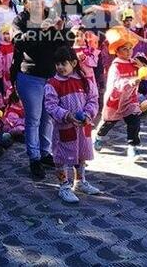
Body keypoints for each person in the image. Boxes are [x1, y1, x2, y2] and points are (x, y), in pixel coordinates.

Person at [11, 0, 70, 179]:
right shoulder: (20, 20)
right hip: (30, 75)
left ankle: (45, 153)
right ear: (26, 3)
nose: (39, 4)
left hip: (50, 75)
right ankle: (34, 158)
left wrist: (61, 30)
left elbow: (64, 47)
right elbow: (18, 41)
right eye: (34, 0)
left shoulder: (52, 16)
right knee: (34, 118)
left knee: (48, 117)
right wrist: (39, 28)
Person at [43, 46, 100, 203]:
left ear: (74, 63)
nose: (60, 67)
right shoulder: (53, 84)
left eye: (64, 63)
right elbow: (51, 106)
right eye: (57, 64)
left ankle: (80, 181)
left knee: (81, 155)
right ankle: (64, 186)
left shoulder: (84, 80)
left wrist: (88, 114)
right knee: (61, 157)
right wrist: (67, 116)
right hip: (64, 128)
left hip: (82, 127)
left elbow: (93, 99)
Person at [94, 27, 144, 159]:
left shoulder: (134, 63)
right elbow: (115, 84)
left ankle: (133, 146)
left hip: (130, 100)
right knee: (108, 123)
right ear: (117, 51)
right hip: (115, 101)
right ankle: (99, 136)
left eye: (130, 48)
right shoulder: (115, 66)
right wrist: (130, 82)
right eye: (125, 49)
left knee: (134, 121)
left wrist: (143, 68)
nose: (129, 52)